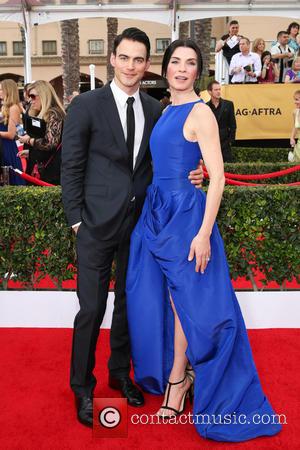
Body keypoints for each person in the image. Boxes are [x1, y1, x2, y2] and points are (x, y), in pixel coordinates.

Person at [126, 39, 282, 442]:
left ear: (200, 71)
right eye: (175, 61)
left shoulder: (201, 112)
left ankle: (179, 380)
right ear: (165, 67)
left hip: (185, 217)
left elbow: (219, 177)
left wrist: (202, 233)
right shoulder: (165, 110)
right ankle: (180, 371)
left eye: (190, 63)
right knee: (165, 297)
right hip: (158, 211)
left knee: (184, 301)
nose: (181, 69)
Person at [61, 27, 203, 428]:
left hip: (139, 225)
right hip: (93, 224)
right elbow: (71, 167)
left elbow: (169, 157)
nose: (131, 66)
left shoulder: (156, 109)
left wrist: (195, 172)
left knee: (127, 303)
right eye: (124, 57)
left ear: (146, 66)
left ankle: (120, 373)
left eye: (139, 59)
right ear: (112, 59)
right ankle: (82, 387)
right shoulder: (87, 105)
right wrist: (76, 220)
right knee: (91, 308)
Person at [18, 80, 65, 185]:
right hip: (44, 170)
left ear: (44, 96)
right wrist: (32, 153)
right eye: (29, 97)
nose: (31, 100)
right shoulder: (43, 114)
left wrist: (29, 141)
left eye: (33, 96)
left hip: (52, 174)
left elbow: (49, 143)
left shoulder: (54, 114)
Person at [0, 79, 26, 185]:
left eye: (1, 89)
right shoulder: (4, 106)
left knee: (10, 181)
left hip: (7, 148)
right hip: (2, 146)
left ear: (8, 90)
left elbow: (11, 134)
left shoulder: (14, 108)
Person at [206, 80, 236, 162]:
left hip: (225, 143)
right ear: (209, 92)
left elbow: (233, 124)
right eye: (216, 90)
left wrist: (230, 141)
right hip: (210, 143)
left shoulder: (228, 104)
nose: (219, 92)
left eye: (219, 89)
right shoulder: (205, 107)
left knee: (228, 168)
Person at [289, 90, 300, 162]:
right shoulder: (295, 112)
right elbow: (295, 126)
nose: (295, 102)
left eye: (297, 100)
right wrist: (292, 137)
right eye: (294, 100)